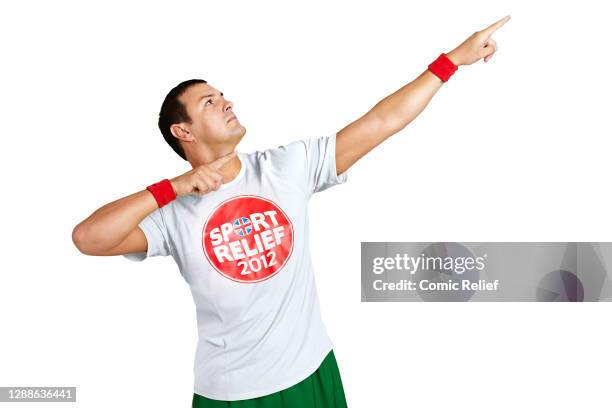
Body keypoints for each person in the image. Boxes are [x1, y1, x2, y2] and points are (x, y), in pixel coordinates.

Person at [72, 15, 510, 407]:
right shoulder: (172, 211)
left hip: (311, 372)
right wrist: (173, 187)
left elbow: (382, 122)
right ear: (182, 130)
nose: (226, 102)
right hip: (230, 393)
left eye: (222, 95)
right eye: (209, 101)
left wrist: (452, 60)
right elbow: (88, 238)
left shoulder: (284, 167)